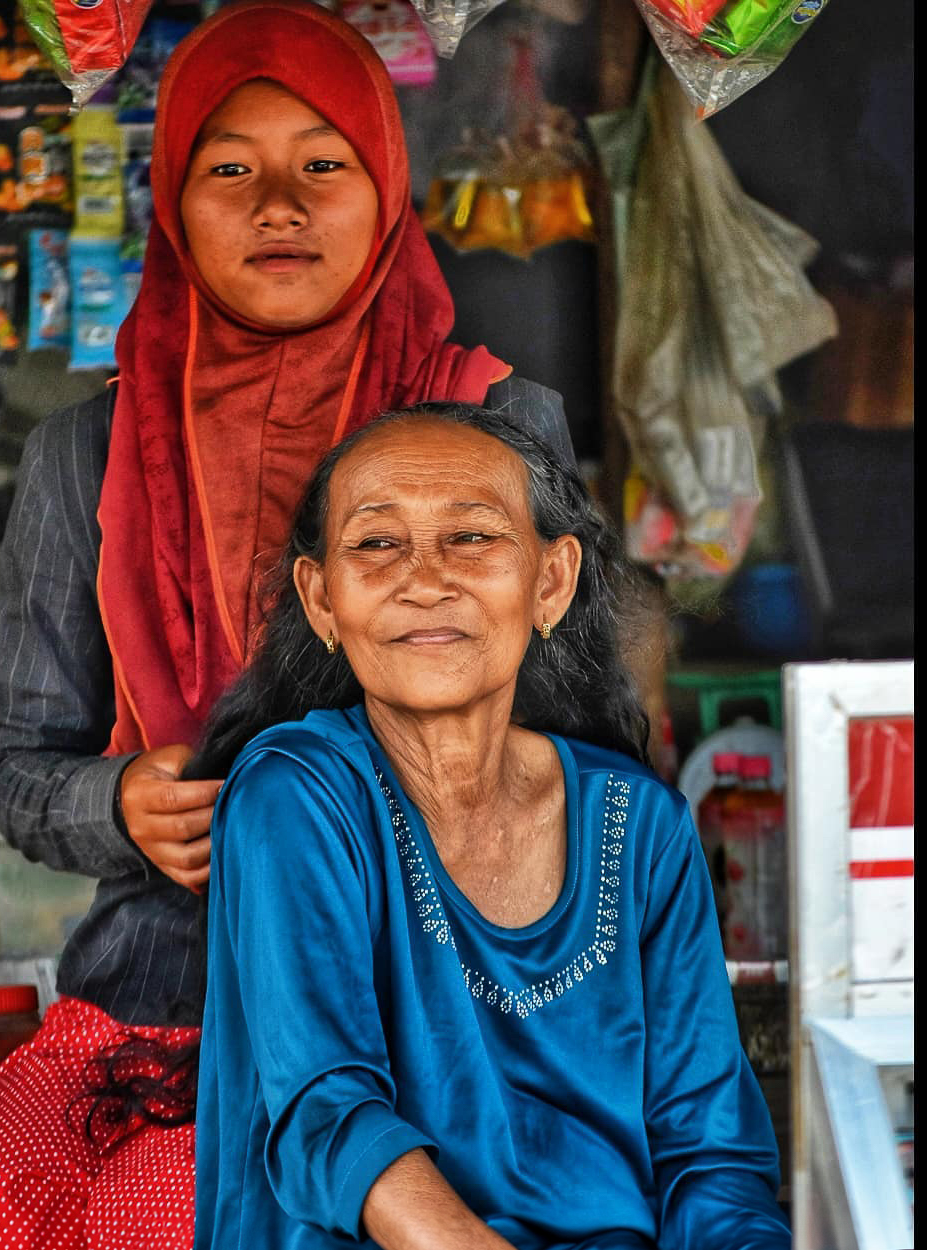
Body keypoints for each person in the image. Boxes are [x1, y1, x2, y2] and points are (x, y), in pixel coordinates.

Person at [0, 3, 575, 1247]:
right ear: (174, 200)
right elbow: (17, 770)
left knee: (161, 1213)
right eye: (231, 167)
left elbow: (591, 746)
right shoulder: (86, 452)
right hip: (150, 1004)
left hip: (433, 1007)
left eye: (322, 164)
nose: (279, 203)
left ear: (385, 190)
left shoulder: (492, 424)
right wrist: (117, 801)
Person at [187, 402, 792, 1250]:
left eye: (470, 538)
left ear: (550, 582)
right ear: (322, 602)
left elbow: (710, 1156)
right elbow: (330, 1114)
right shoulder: (296, 796)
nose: (425, 578)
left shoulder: (640, 824)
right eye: (375, 544)